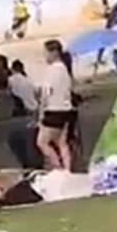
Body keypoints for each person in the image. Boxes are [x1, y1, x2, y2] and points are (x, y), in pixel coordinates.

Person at [36, 40, 75, 171]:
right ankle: (67, 170)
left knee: (42, 142)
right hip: (67, 110)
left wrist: (41, 114)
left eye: (46, 53)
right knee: (62, 143)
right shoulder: (65, 68)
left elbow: (46, 94)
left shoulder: (52, 70)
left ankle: (58, 168)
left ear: (53, 53)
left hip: (54, 110)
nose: (45, 56)